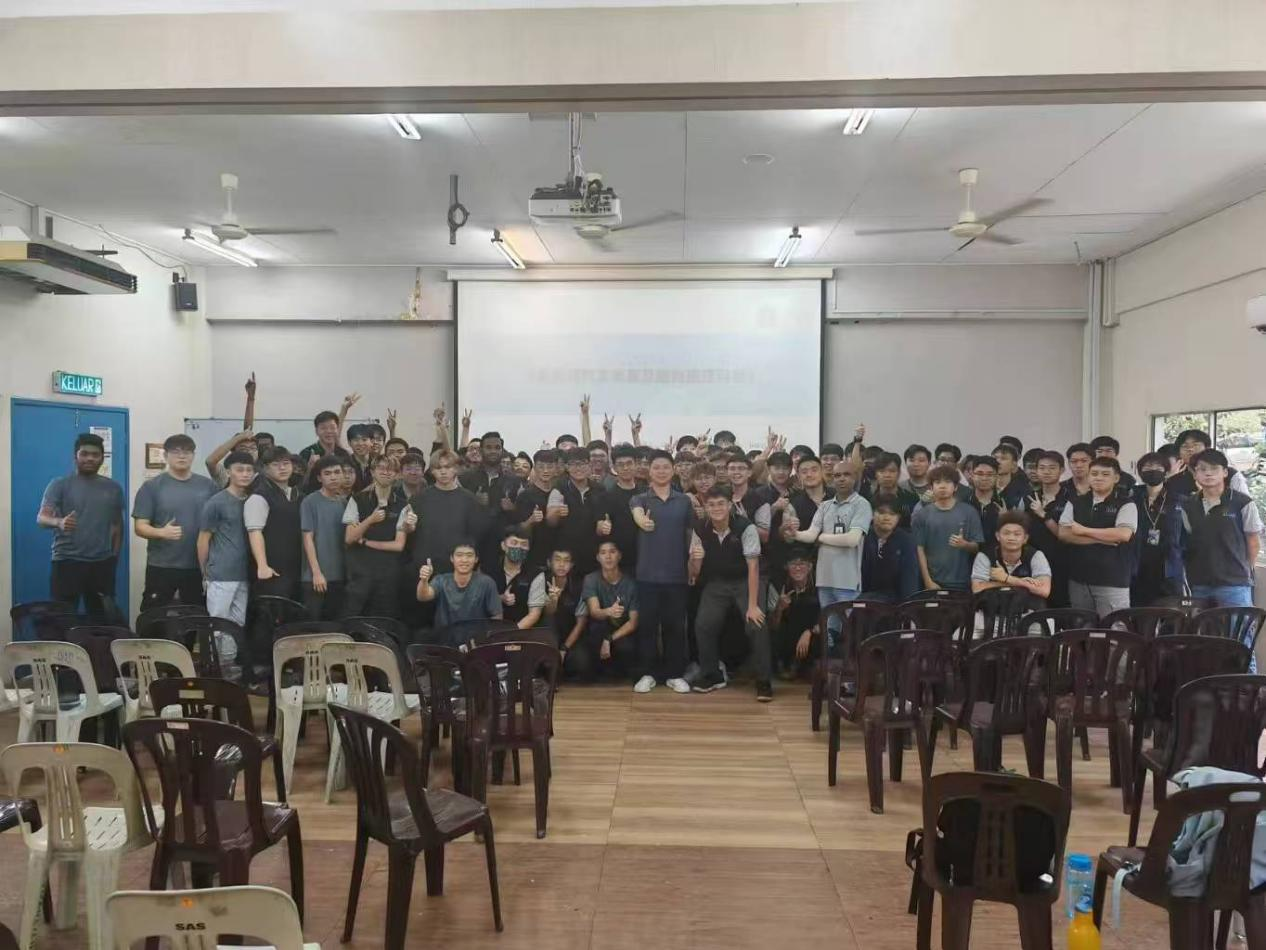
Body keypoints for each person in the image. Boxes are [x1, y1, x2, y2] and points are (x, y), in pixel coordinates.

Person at [689, 487, 771, 700]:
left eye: (721, 504)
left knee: (756, 623)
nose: (716, 508)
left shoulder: (746, 527)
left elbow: (753, 567)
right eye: (711, 504)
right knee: (704, 624)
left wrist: (752, 606)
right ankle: (712, 675)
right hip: (717, 582)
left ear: (729, 505)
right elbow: (694, 572)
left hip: (746, 580)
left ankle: (764, 680)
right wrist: (695, 559)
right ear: (706, 507)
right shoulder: (699, 528)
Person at [37, 432, 126, 620]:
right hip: (67, 563)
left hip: (101, 564)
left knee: (102, 620)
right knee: (63, 619)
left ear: (102, 458)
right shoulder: (59, 485)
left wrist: (113, 558)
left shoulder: (114, 488)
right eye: (84, 454)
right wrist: (59, 522)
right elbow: (42, 518)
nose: (90, 458)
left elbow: (117, 525)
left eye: (95, 455)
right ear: (75, 456)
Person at [629, 449, 694, 695]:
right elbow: (637, 515)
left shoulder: (684, 501)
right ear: (649, 471)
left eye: (666, 467)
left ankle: (674, 674)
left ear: (673, 469)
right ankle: (647, 674)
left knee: (675, 627)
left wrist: (693, 565)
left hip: (677, 574)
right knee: (647, 626)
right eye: (656, 467)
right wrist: (643, 522)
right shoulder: (640, 499)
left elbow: (691, 535)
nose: (661, 471)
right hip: (647, 574)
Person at [791, 460, 872, 646]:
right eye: (837, 475)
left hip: (848, 580)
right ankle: (830, 664)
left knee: (849, 631)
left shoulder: (862, 504)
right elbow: (810, 535)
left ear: (855, 477)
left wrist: (822, 537)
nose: (841, 479)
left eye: (846, 474)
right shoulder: (825, 506)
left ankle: (851, 664)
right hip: (824, 579)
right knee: (829, 633)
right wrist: (793, 533)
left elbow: (852, 540)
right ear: (831, 479)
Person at [133, 433, 217, 609]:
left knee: (195, 617)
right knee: (155, 616)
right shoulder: (152, 487)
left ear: (193, 455)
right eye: (176, 452)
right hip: (162, 565)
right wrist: (161, 532)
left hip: (198, 565)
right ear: (165, 455)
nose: (182, 456)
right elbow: (140, 527)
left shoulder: (208, 486)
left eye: (187, 452)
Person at [1175, 449, 1263, 610]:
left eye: (1214, 468)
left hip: (1234, 585)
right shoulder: (1188, 505)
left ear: (1225, 472)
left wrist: (1242, 571)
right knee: (1202, 626)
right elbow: (1189, 541)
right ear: (1195, 474)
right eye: (1202, 469)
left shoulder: (1242, 502)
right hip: (1199, 584)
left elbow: (1254, 542)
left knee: (1237, 626)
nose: (1208, 473)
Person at [1058, 456, 1137, 615]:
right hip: (1079, 579)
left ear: (1116, 478)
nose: (1098, 478)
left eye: (1105, 474)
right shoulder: (1075, 502)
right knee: (1081, 626)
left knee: (1114, 625)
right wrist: (1102, 539)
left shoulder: (1126, 503)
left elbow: (1123, 534)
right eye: (1094, 474)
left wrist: (1083, 530)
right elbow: (1064, 534)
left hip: (1112, 579)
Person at [343, 455, 409, 618]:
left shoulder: (403, 504)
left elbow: (399, 545)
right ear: (372, 472)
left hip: (388, 573)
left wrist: (366, 542)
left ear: (397, 474)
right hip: (360, 572)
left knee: (385, 618)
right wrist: (370, 520)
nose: (386, 472)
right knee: (355, 616)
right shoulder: (357, 499)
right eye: (381, 468)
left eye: (391, 469)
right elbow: (349, 538)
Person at [196, 450, 256, 625]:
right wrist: (204, 572)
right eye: (240, 470)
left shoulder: (253, 501)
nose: (245, 474)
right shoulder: (216, 502)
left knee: (238, 626)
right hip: (221, 575)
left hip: (245, 574)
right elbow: (203, 540)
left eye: (249, 470)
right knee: (218, 625)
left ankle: (232, 648)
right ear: (228, 472)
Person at [405, 449, 486, 577]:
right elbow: (410, 536)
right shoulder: (418, 499)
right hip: (424, 568)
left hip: (458, 569)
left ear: (456, 469)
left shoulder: (470, 500)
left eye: (448, 467)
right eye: (438, 468)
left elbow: (475, 537)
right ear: (432, 471)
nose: (443, 472)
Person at [567, 539, 640, 681]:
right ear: (598, 557)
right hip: (597, 630)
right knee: (581, 663)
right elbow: (594, 611)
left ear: (619, 556)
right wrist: (609, 611)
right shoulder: (591, 579)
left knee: (627, 650)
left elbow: (633, 623)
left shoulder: (630, 583)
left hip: (621, 633)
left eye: (612, 552)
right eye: (603, 553)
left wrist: (609, 639)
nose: (608, 556)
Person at [912, 464, 984, 592]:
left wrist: (964, 544)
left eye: (947, 482)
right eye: (937, 482)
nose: (942, 486)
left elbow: (978, 547)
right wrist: (928, 581)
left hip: (963, 582)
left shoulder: (969, 512)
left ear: (956, 487)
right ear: (931, 487)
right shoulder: (922, 514)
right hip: (932, 582)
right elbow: (919, 549)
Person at [416, 542, 502, 637]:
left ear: (476, 559)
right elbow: (423, 597)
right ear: (452, 558)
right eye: (459, 555)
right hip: (443, 639)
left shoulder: (486, 582)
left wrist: (490, 638)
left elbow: (497, 615)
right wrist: (424, 580)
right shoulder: (441, 580)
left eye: (469, 555)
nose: (464, 560)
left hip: (476, 641)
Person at [300, 455, 350, 619]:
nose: (333, 477)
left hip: (340, 576)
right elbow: (307, 538)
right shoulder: (310, 502)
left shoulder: (344, 503)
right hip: (315, 577)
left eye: (337, 472)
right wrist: (316, 573)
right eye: (327, 473)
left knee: (335, 625)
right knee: (314, 626)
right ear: (319, 478)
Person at [1130, 451, 1179, 607]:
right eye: (1148, 467)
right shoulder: (1132, 498)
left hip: (1168, 567)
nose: (1153, 471)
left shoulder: (1178, 500)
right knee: (1138, 612)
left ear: (1166, 471)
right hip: (1138, 565)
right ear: (1140, 472)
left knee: (1170, 613)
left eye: (1158, 467)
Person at [546, 447, 606, 576]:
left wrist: (604, 527)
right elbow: (550, 521)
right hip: (566, 558)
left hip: (593, 556)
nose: (578, 468)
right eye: (573, 464)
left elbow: (602, 522)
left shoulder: (600, 490)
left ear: (590, 465)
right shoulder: (559, 489)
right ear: (567, 467)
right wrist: (557, 512)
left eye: (583, 463)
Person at [970, 510, 1052, 602]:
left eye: (1017, 534)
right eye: (1006, 533)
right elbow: (977, 588)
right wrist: (1017, 582)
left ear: (1025, 538)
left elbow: (1044, 590)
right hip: (992, 607)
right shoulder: (985, 556)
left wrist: (1007, 578)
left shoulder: (1036, 556)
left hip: (1027, 607)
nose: (1011, 538)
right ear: (997, 536)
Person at [1026, 450, 1071, 607]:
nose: (1046, 472)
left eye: (1052, 468)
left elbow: (1066, 534)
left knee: (1060, 607)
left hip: (1062, 561)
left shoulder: (1070, 498)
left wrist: (1043, 514)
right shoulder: (1028, 497)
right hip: (1033, 562)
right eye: (1042, 468)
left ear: (1062, 470)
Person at [770, 546, 820, 679]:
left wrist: (809, 632)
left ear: (809, 567)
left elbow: (826, 619)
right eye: (793, 564)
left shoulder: (819, 587)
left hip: (813, 635)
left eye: (802, 564)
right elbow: (774, 626)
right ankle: (786, 664)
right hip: (790, 636)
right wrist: (779, 608)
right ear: (787, 567)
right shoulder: (782, 587)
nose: (798, 568)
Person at [860, 493, 920, 602]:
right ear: (872, 514)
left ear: (898, 518)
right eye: (881, 512)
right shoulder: (862, 537)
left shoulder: (906, 540)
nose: (887, 518)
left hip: (895, 601)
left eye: (892, 514)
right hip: (862, 599)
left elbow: (909, 580)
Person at [1167, 429, 1251, 498]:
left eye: (1196, 445)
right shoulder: (1175, 481)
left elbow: (1245, 506)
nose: (1190, 449)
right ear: (1179, 453)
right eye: (1185, 446)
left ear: (1207, 448)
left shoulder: (1230, 474)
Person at [494, 527, 545, 628]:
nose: (519, 547)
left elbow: (534, 615)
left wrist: (511, 633)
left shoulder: (536, 574)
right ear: (503, 545)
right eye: (514, 543)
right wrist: (500, 598)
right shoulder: (490, 569)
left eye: (524, 544)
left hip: (521, 631)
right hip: (490, 628)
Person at [602, 444, 642, 572]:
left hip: (646, 557)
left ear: (636, 464)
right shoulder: (607, 496)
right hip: (620, 563)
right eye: (620, 464)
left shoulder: (646, 493)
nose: (625, 468)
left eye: (629, 463)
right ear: (614, 467)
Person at [966, 456, 1008, 559]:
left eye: (990, 474)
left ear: (997, 476)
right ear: (972, 475)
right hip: (966, 559)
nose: (984, 478)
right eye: (979, 474)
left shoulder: (1006, 503)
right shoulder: (963, 502)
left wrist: (1006, 519)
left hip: (996, 560)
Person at [863, 452, 919, 527]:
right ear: (875, 474)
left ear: (899, 473)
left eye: (892, 471)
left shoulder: (911, 499)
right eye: (882, 471)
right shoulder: (867, 500)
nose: (887, 475)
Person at [991, 443, 1030, 508]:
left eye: (1003, 458)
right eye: (995, 458)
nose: (998, 461)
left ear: (1014, 464)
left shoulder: (1024, 490)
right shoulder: (985, 487)